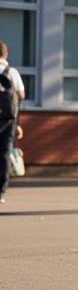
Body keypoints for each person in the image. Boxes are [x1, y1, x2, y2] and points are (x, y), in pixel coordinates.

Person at [0, 40, 26, 204]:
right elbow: (21, 95)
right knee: (4, 154)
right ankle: (1, 191)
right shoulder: (12, 72)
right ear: (5, 54)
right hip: (8, 119)